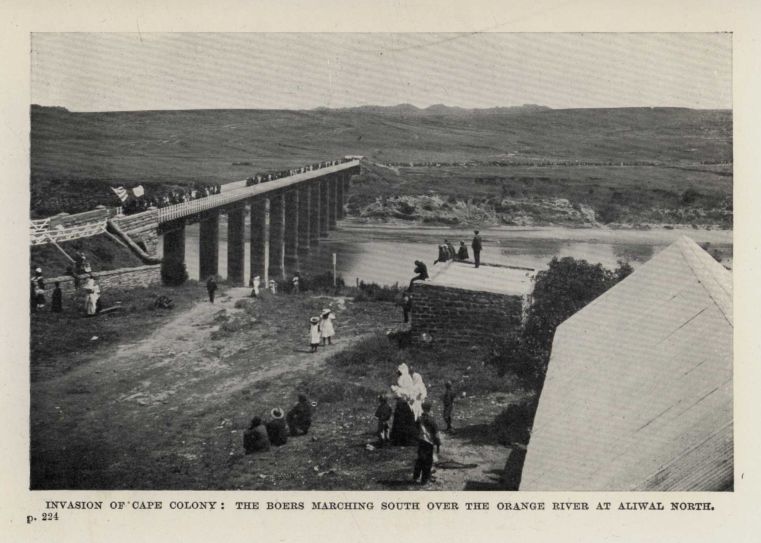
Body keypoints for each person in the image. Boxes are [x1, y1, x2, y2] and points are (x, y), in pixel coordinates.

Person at [412, 401, 441, 485]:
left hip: (421, 442)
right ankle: (424, 480)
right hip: (429, 443)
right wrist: (438, 445)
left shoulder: (419, 419)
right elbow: (436, 434)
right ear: (430, 408)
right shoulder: (432, 420)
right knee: (427, 462)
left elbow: (416, 430)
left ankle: (415, 477)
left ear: (422, 408)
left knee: (420, 459)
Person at [390, 363, 417, 446]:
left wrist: (395, 390)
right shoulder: (406, 378)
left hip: (404, 403)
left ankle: (402, 440)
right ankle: (404, 440)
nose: (398, 373)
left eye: (399, 371)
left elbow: (404, 392)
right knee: (404, 421)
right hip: (405, 403)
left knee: (401, 421)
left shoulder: (404, 378)